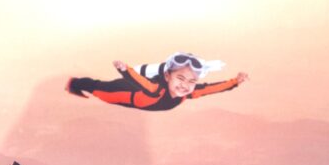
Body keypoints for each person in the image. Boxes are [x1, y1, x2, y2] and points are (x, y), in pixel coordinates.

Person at [66, 52, 248, 111]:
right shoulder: (156, 89)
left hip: (136, 88)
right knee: (98, 89)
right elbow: (140, 81)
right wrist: (125, 70)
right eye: (180, 78)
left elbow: (213, 88)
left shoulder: (190, 92)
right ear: (167, 76)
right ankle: (73, 83)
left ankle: (77, 83)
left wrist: (236, 81)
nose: (185, 85)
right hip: (123, 91)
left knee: (98, 87)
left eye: (191, 81)